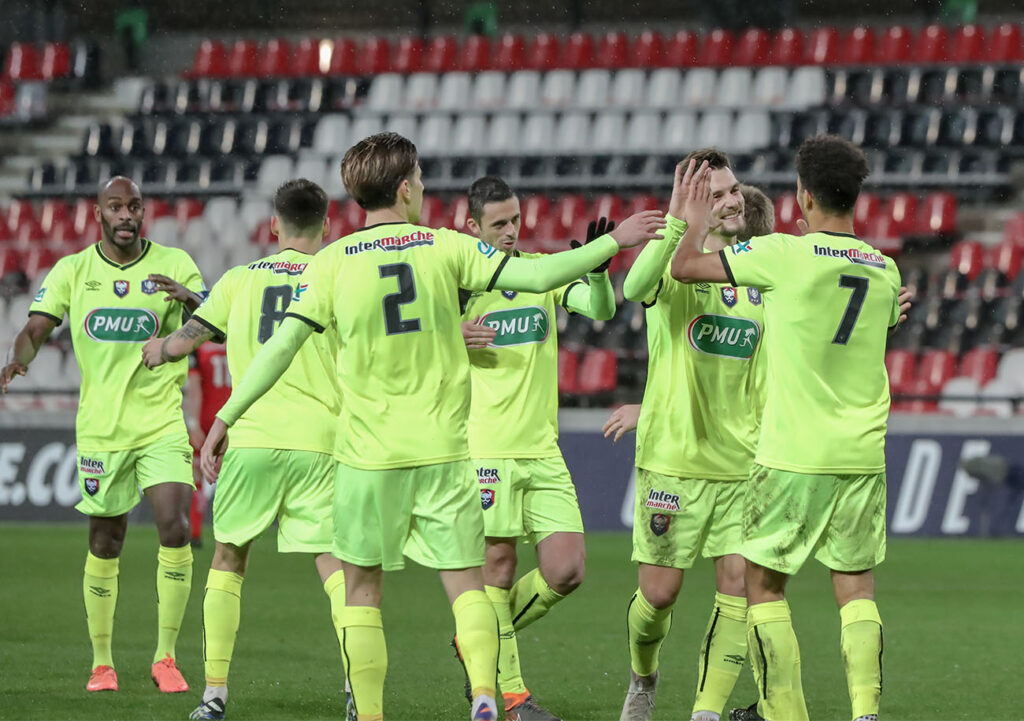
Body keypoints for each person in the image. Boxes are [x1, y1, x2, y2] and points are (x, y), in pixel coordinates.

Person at [199, 132, 665, 721]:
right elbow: (543, 278)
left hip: (366, 457)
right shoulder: (446, 248)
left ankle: (369, 714)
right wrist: (614, 244)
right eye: (417, 179)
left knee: (362, 591)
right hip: (445, 453)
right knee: (469, 585)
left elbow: (279, 348)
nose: (421, 188)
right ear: (404, 187)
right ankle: (485, 698)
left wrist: (225, 417)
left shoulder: (333, 262)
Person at [669, 136, 910, 721]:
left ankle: (787, 714)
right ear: (855, 197)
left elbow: (682, 270)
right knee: (856, 591)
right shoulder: (884, 269)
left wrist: (692, 220)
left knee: (765, 590)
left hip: (792, 454)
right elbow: (857, 343)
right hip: (860, 455)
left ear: (803, 196)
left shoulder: (782, 253)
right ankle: (866, 713)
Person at [141, 179, 351, 721]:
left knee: (229, 559)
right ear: (327, 226)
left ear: (273, 226)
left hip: (248, 440)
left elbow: (186, 340)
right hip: (321, 443)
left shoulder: (238, 281)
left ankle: (213, 696)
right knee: (335, 566)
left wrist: (158, 348)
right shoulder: (340, 274)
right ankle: (358, 691)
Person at [1, 176, 205, 694]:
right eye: (115, 206)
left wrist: (192, 300)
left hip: (160, 423)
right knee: (105, 540)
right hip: (101, 430)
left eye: (134, 206)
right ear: (99, 214)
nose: (126, 215)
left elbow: (214, 321)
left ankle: (166, 658)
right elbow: (36, 328)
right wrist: (17, 359)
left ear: (143, 212)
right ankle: (102, 663)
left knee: (176, 527)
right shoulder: (73, 270)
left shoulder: (176, 264)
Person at [602, 151, 769, 721]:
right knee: (659, 596)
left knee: (738, 591)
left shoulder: (758, 270)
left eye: (733, 189)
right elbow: (633, 289)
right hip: (673, 461)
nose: (730, 200)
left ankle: (705, 711)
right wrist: (677, 220)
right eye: (715, 193)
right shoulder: (673, 263)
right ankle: (643, 678)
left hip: (741, 465)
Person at [457, 176, 616, 721]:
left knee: (566, 569)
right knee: (497, 567)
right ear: (471, 226)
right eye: (498, 224)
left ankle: (477, 639)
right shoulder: (459, 285)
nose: (509, 232)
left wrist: (597, 272)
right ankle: (515, 697)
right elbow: (412, 342)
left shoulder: (541, 273)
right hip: (488, 450)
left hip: (543, 451)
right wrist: (451, 334)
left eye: (515, 221)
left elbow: (601, 310)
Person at [182, 339, 230, 547]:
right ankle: (233, 532)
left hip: (205, 419)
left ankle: (194, 532)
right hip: (232, 418)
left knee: (197, 476)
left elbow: (194, 388)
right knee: (233, 477)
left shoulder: (199, 345)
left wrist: (192, 424)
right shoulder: (239, 340)